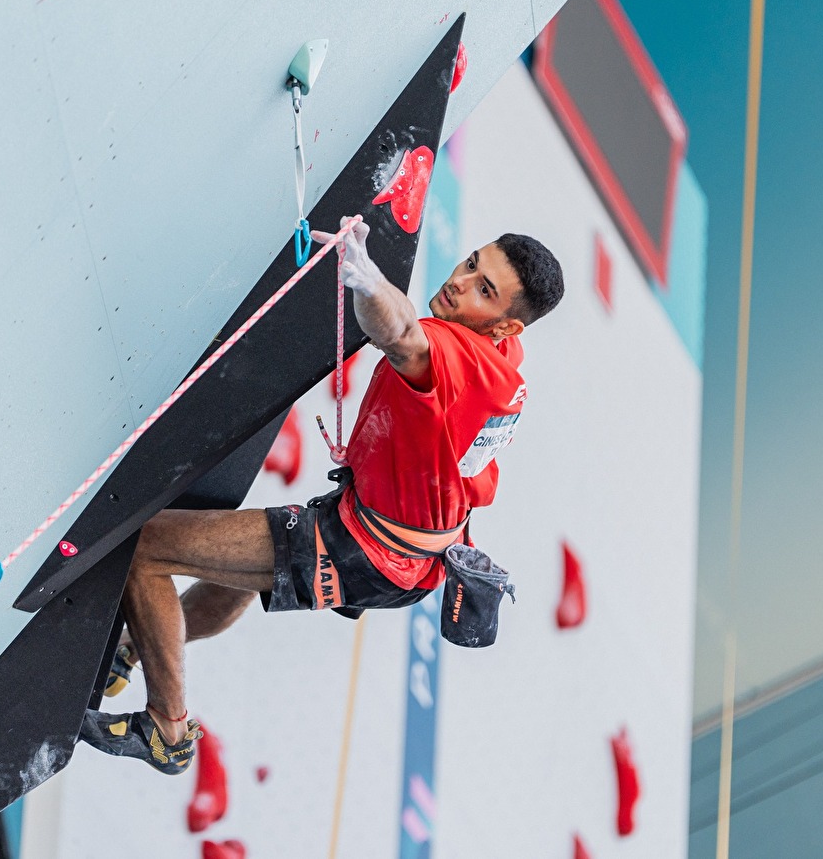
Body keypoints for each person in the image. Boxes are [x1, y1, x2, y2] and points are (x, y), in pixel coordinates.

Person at [78, 216, 563, 773]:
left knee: (146, 549)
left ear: (506, 325)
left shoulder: (463, 357)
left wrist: (367, 281)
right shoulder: (505, 359)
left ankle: (166, 730)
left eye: (484, 290)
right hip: (406, 550)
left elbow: (401, 334)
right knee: (247, 573)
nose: (460, 281)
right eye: (472, 263)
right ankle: (135, 647)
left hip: (370, 550)